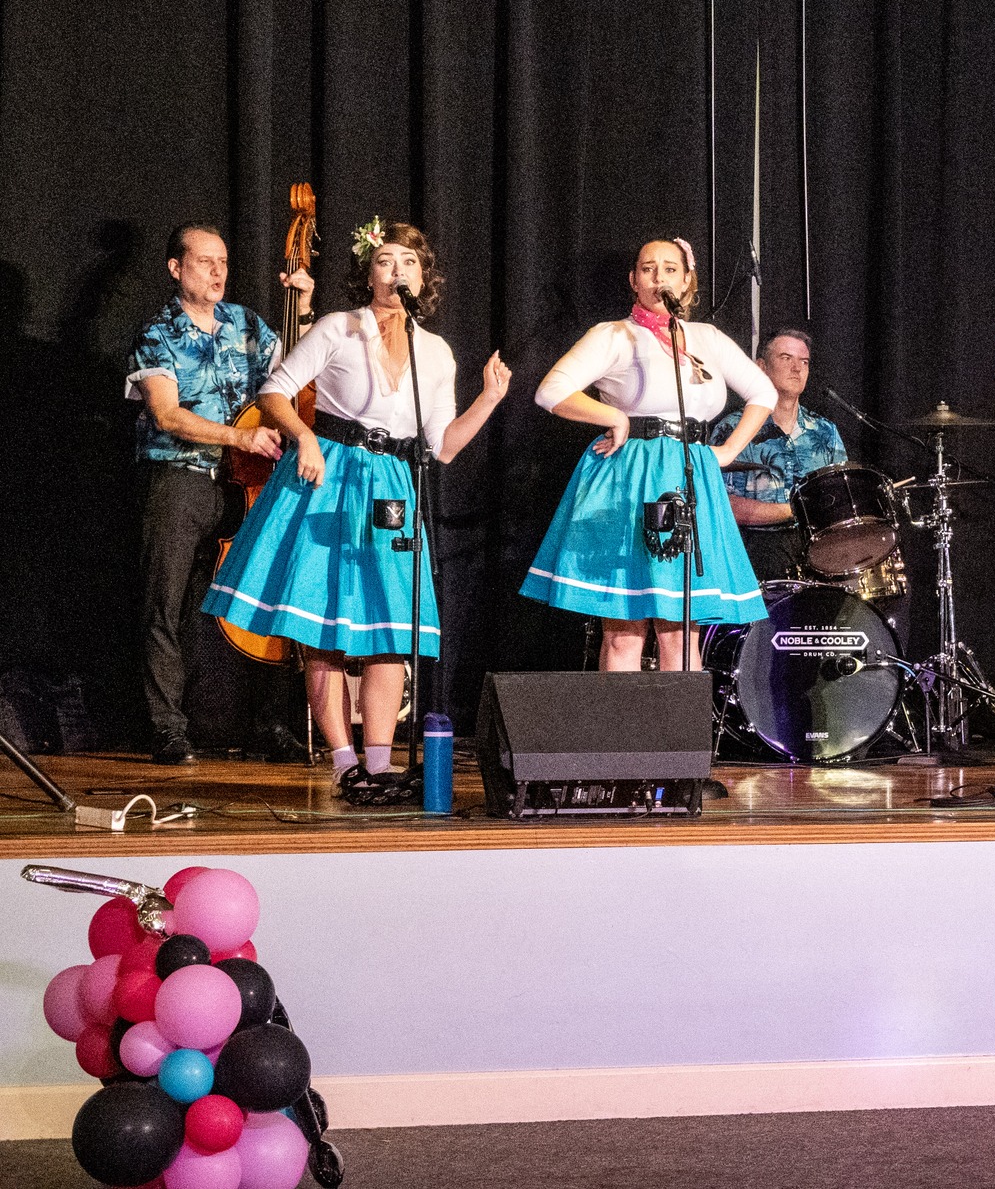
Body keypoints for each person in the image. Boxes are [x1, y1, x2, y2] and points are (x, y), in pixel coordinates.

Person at [201, 219, 510, 791]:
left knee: (392, 630)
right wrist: (306, 437)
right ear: (368, 273)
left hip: (392, 481)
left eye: (409, 263)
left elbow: (442, 447)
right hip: (331, 473)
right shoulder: (337, 329)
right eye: (387, 261)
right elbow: (273, 392)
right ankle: (345, 765)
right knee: (324, 629)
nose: (398, 272)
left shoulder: (436, 353)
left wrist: (490, 399)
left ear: (424, 277)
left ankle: (379, 762)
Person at [522, 237, 775, 671]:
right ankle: (620, 739)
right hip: (631, 474)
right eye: (648, 268)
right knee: (624, 630)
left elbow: (762, 391)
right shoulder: (614, 335)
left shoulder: (706, 338)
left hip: (689, 473)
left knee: (681, 629)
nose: (659, 277)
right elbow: (551, 391)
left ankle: (679, 739)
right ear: (634, 281)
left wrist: (728, 451)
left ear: (688, 280)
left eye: (670, 269)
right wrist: (615, 418)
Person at [126, 223, 313, 765]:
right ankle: (168, 729)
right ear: (175, 268)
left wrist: (301, 307)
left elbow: (294, 383)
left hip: (249, 480)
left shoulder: (248, 324)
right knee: (168, 605)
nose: (217, 272)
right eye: (204, 262)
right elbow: (165, 413)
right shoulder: (157, 331)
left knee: (262, 601)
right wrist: (239, 435)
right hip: (180, 478)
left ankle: (268, 723)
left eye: (224, 262)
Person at [712, 327, 848, 583]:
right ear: (761, 367)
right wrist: (794, 510)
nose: (797, 368)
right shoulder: (733, 429)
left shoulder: (825, 431)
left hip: (817, 552)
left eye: (804, 361)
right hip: (754, 550)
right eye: (786, 358)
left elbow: (840, 499)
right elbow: (722, 505)